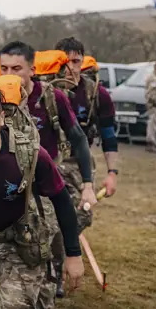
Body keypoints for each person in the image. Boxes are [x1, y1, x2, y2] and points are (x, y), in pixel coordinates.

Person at [0, 81, 84, 309]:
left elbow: (62, 200)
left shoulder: (29, 153)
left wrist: (73, 254)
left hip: (19, 245)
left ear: (2, 118)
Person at [0, 42, 95, 302]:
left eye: (16, 68)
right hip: (8, 186)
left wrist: (87, 183)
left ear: (32, 69)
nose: (9, 73)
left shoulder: (52, 98)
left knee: (51, 242)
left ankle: (51, 283)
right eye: (4, 67)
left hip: (46, 187)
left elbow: (79, 140)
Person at [54, 37, 119, 201]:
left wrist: (112, 173)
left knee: (81, 215)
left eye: (76, 61)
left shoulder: (97, 93)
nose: (71, 68)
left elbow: (108, 136)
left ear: (82, 62)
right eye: (65, 62)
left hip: (79, 163)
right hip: (48, 163)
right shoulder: (42, 91)